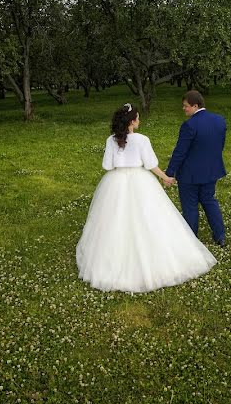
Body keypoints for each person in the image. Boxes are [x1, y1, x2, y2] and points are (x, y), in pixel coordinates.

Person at [75, 103, 216, 293]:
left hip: (115, 182)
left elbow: (107, 166)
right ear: (132, 121)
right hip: (141, 181)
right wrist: (165, 177)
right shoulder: (142, 140)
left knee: (113, 221)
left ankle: (110, 260)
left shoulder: (111, 140)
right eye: (138, 118)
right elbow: (150, 164)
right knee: (149, 218)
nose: (139, 121)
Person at [165, 90, 227, 247]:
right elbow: (220, 145)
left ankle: (191, 240)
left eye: (186, 106)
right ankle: (220, 236)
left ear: (195, 105)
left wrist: (170, 172)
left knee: (190, 206)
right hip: (211, 170)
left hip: (190, 175)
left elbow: (180, 151)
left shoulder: (189, 125)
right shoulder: (220, 120)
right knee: (209, 201)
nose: (183, 109)